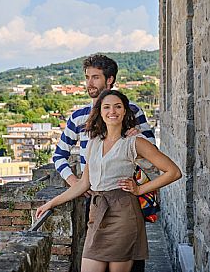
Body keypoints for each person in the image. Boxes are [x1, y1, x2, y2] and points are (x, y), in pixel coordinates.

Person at [36, 90, 182, 272]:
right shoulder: (93, 142)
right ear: (100, 112)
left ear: (125, 112)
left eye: (118, 106)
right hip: (97, 215)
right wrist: (50, 203)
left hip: (124, 215)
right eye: (107, 107)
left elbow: (173, 172)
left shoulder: (134, 141)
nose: (112, 111)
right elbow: (83, 184)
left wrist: (140, 190)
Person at [52, 54, 155, 272]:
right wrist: (76, 183)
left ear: (109, 80)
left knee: (132, 265)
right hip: (95, 199)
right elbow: (59, 155)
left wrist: (138, 138)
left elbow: (151, 157)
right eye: (87, 77)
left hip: (126, 197)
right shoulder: (78, 117)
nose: (89, 83)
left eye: (95, 77)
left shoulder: (132, 111)